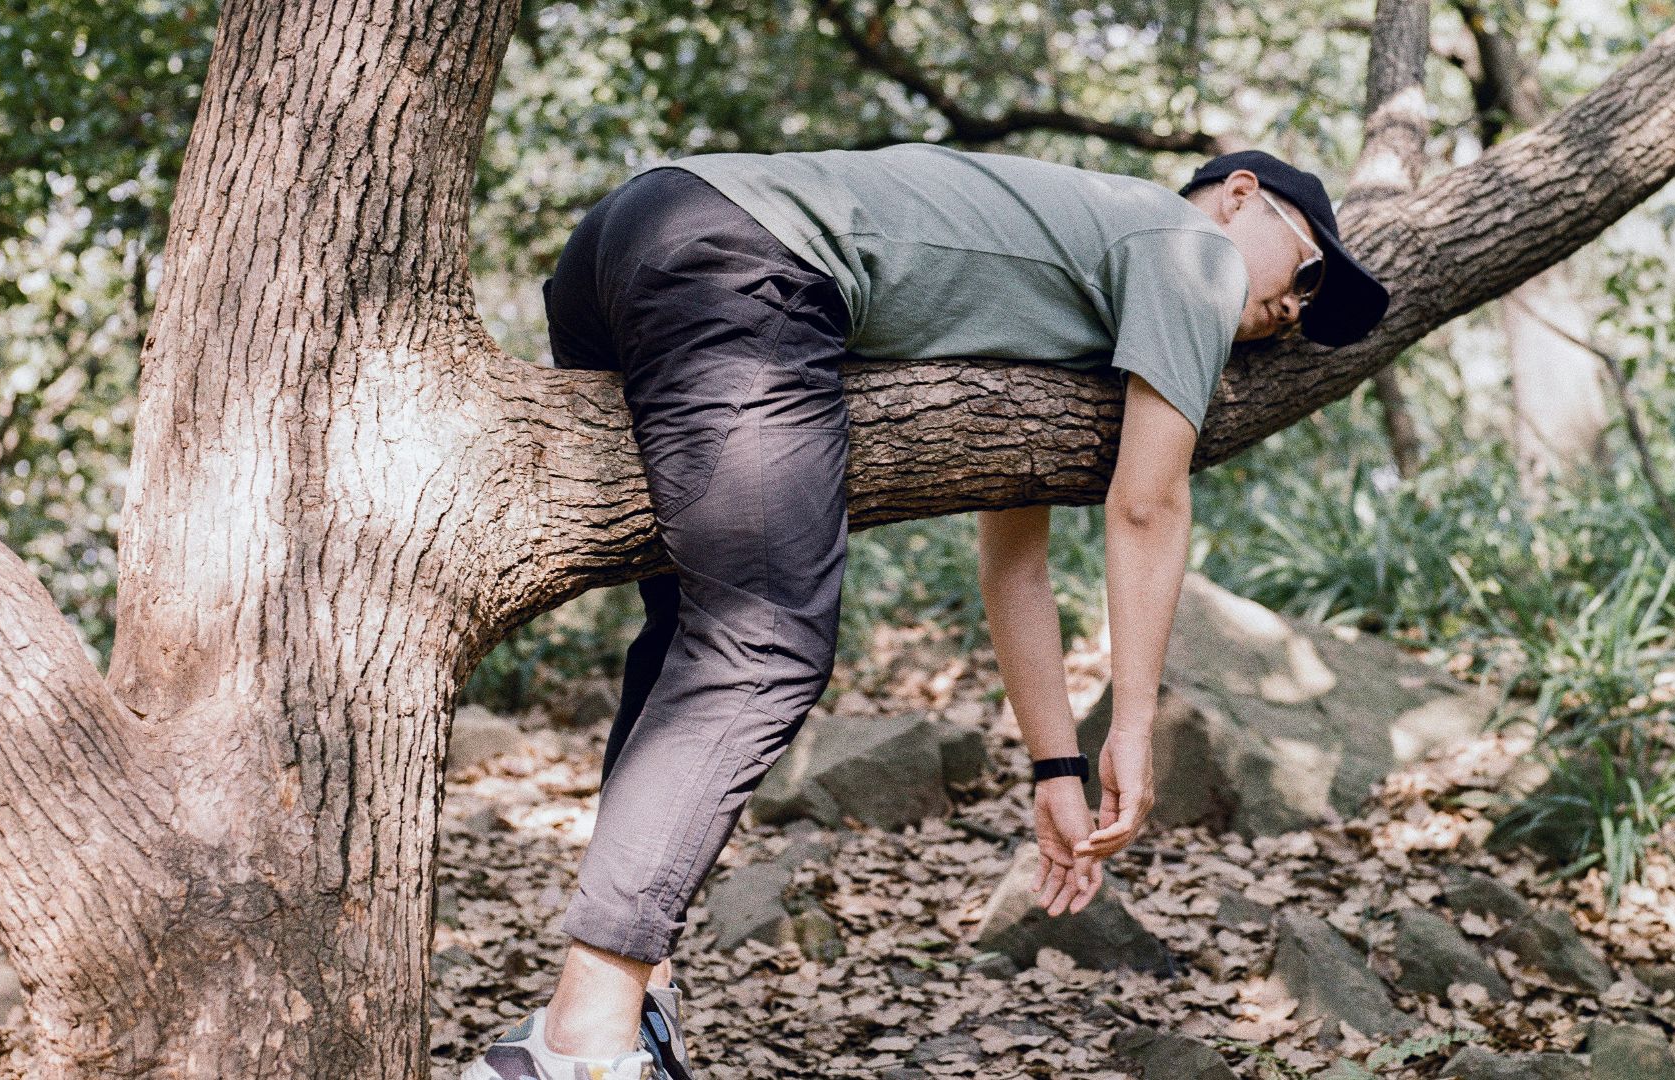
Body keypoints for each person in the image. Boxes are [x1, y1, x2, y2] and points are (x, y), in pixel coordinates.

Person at [459, 144, 1389, 1080]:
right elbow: (1147, 507)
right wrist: (1135, 724)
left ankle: (639, 997)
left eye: (1314, 313)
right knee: (765, 644)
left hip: (631, 238)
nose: (1296, 311)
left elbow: (1015, 565)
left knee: (693, 639)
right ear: (1238, 198)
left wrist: (1057, 765)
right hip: (746, 254)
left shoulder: (1068, 262)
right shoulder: (1194, 249)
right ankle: (575, 1046)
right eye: (1309, 272)